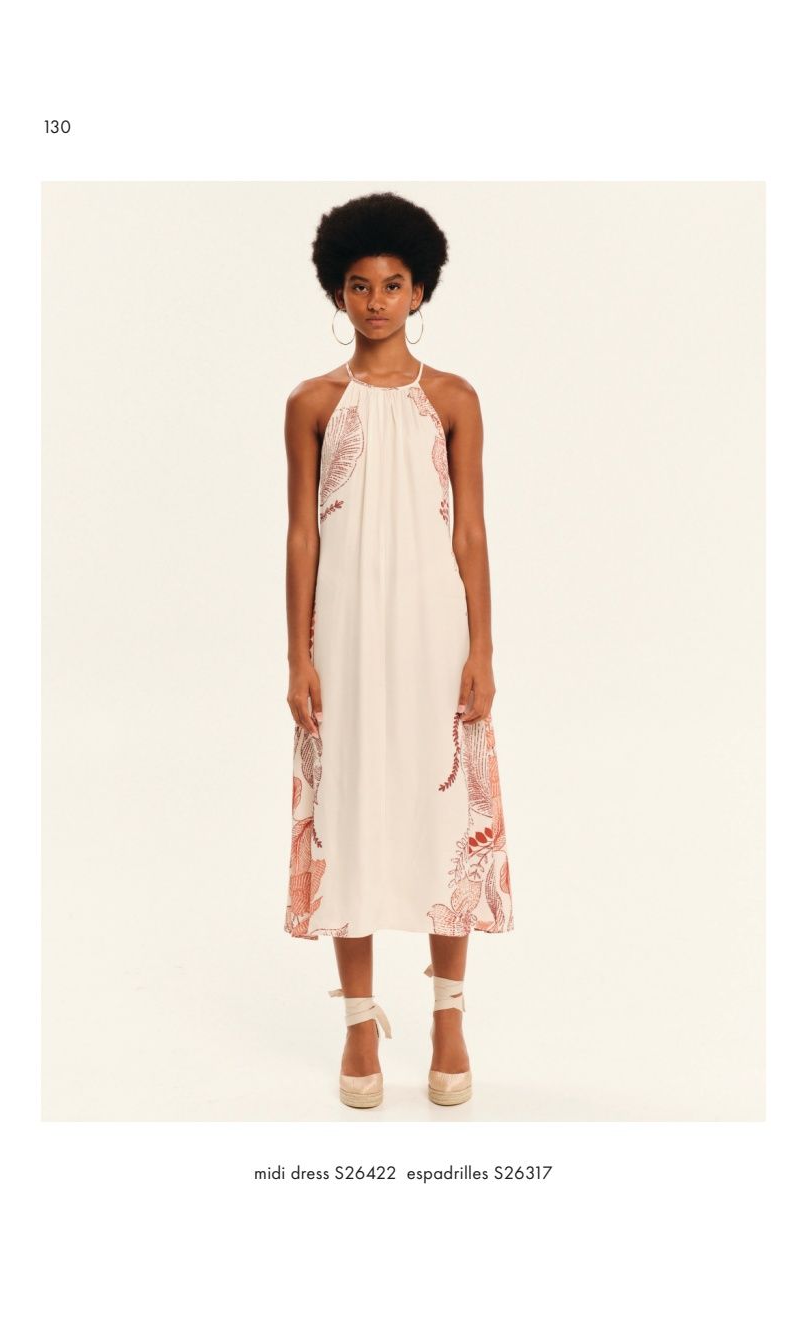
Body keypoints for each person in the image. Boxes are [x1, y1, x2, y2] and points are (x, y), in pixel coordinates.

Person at [284, 191, 513, 1109]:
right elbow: (302, 534)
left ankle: (448, 1019)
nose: (375, 301)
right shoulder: (312, 403)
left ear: (420, 292)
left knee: (443, 809)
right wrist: (297, 655)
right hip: (342, 629)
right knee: (348, 808)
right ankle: (356, 1025)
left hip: (431, 626)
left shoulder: (451, 400)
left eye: (392, 285)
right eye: (357, 285)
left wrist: (482, 647)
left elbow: (471, 531)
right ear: (336, 293)